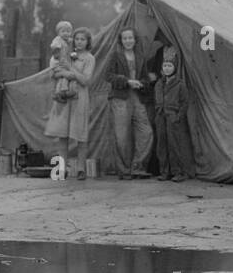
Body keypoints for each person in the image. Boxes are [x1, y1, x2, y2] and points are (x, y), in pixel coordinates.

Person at [44, 26, 95, 181]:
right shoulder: (66, 54)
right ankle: (61, 169)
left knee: (80, 134)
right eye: (77, 39)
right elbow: (55, 72)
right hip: (64, 96)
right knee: (62, 134)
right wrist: (62, 72)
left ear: (87, 42)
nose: (79, 42)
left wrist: (69, 73)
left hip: (80, 97)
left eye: (83, 39)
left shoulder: (89, 58)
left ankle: (81, 169)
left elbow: (86, 80)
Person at [103, 26, 154, 179]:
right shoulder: (115, 55)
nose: (128, 41)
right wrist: (127, 81)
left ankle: (138, 167)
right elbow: (108, 76)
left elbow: (145, 78)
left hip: (137, 98)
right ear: (121, 40)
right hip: (120, 98)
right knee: (121, 136)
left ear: (135, 39)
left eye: (130, 38)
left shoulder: (140, 56)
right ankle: (124, 170)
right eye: (125, 38)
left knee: (146, 132)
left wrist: (141, 83)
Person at [153, 50, 196, 181]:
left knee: (174, 145)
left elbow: (184, 102)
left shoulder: (180, 84)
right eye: (165, 66)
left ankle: (178, 172)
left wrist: (178, 117)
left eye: (169, 66)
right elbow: (156, 100)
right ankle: (164, 172)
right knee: (161, 145)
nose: (167, 68)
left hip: (173, 117)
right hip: (161, 117)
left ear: (175, 67)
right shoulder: (159, 84)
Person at [49, 20, 76, 101]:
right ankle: (59, 92)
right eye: (63, 31)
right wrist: (56, 51)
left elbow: (72, 45)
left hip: (64, 62)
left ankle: (61, 91)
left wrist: (73, 53)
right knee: (65, 74)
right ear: (58, 33)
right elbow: (54, 47)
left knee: (63, 77)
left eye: (68, 31)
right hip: (57, 63)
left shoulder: (68, 40)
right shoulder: (58, 39)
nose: (65, 33)